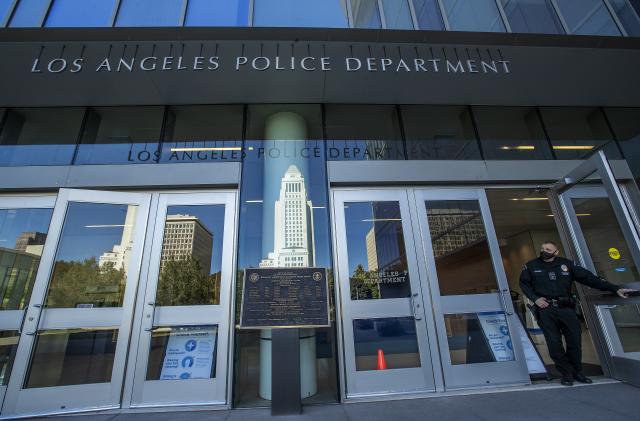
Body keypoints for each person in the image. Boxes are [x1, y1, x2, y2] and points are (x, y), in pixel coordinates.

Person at [519, 241, 637, 386]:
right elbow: (524, 284)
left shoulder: (567, 265)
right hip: (546, 310)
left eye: (548, 249)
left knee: (574, 342)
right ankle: (566, 374)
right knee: (554, 344)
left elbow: (590, 279)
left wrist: (615, 289)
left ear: (556, 252)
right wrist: (535, 299)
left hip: (566, 309)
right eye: (542, 248)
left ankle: (577, 372)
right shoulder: (531, 265)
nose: (544, 251)